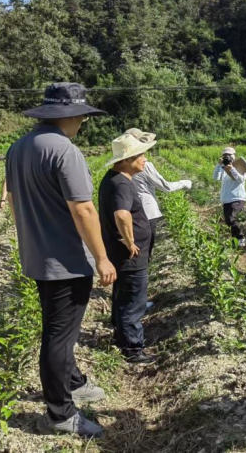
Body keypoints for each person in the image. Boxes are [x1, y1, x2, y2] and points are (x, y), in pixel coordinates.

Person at [5, 83, 116, 438]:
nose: (83, 122)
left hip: (38, 255)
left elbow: (13, 202)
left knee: (58, 329)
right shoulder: (65, 151)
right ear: (72, 115)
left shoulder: (18, 147)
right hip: (67, 260)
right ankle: (60, 413)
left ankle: (74, 381)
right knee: (58, 337)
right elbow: (83, 208)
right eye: (82, 115)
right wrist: (102, 257)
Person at [99, 134, 157, 365]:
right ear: (127, 159)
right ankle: (133, 349)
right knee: (133, 300)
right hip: (130, 256)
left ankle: (121, 336)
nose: (144, 159)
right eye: (140, 155)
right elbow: (122, 214)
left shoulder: (115, 179)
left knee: (124, 296)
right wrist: (130, 241)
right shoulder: (121, 183)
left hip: (122, 254)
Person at [123, 128, 192, 260]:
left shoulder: (122, 165)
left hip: (129, 212)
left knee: (133, 250)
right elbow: (165, 187)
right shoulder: (145, 165)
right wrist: (184, 183)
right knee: (144, 252)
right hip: (147, 213)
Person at [213, 146, 246, 248]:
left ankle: (241, 238)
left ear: (234, 155)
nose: (227, 157)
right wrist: (219, 166)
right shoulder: (223, 167)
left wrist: (231, 168)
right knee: (228, 221)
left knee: (230, 219)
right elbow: (216, 177)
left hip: (237, 197)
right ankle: (235, 242)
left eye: (229, 155)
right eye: (224, 155)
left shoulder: (242, 165)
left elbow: (241, 179)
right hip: (226, 198)